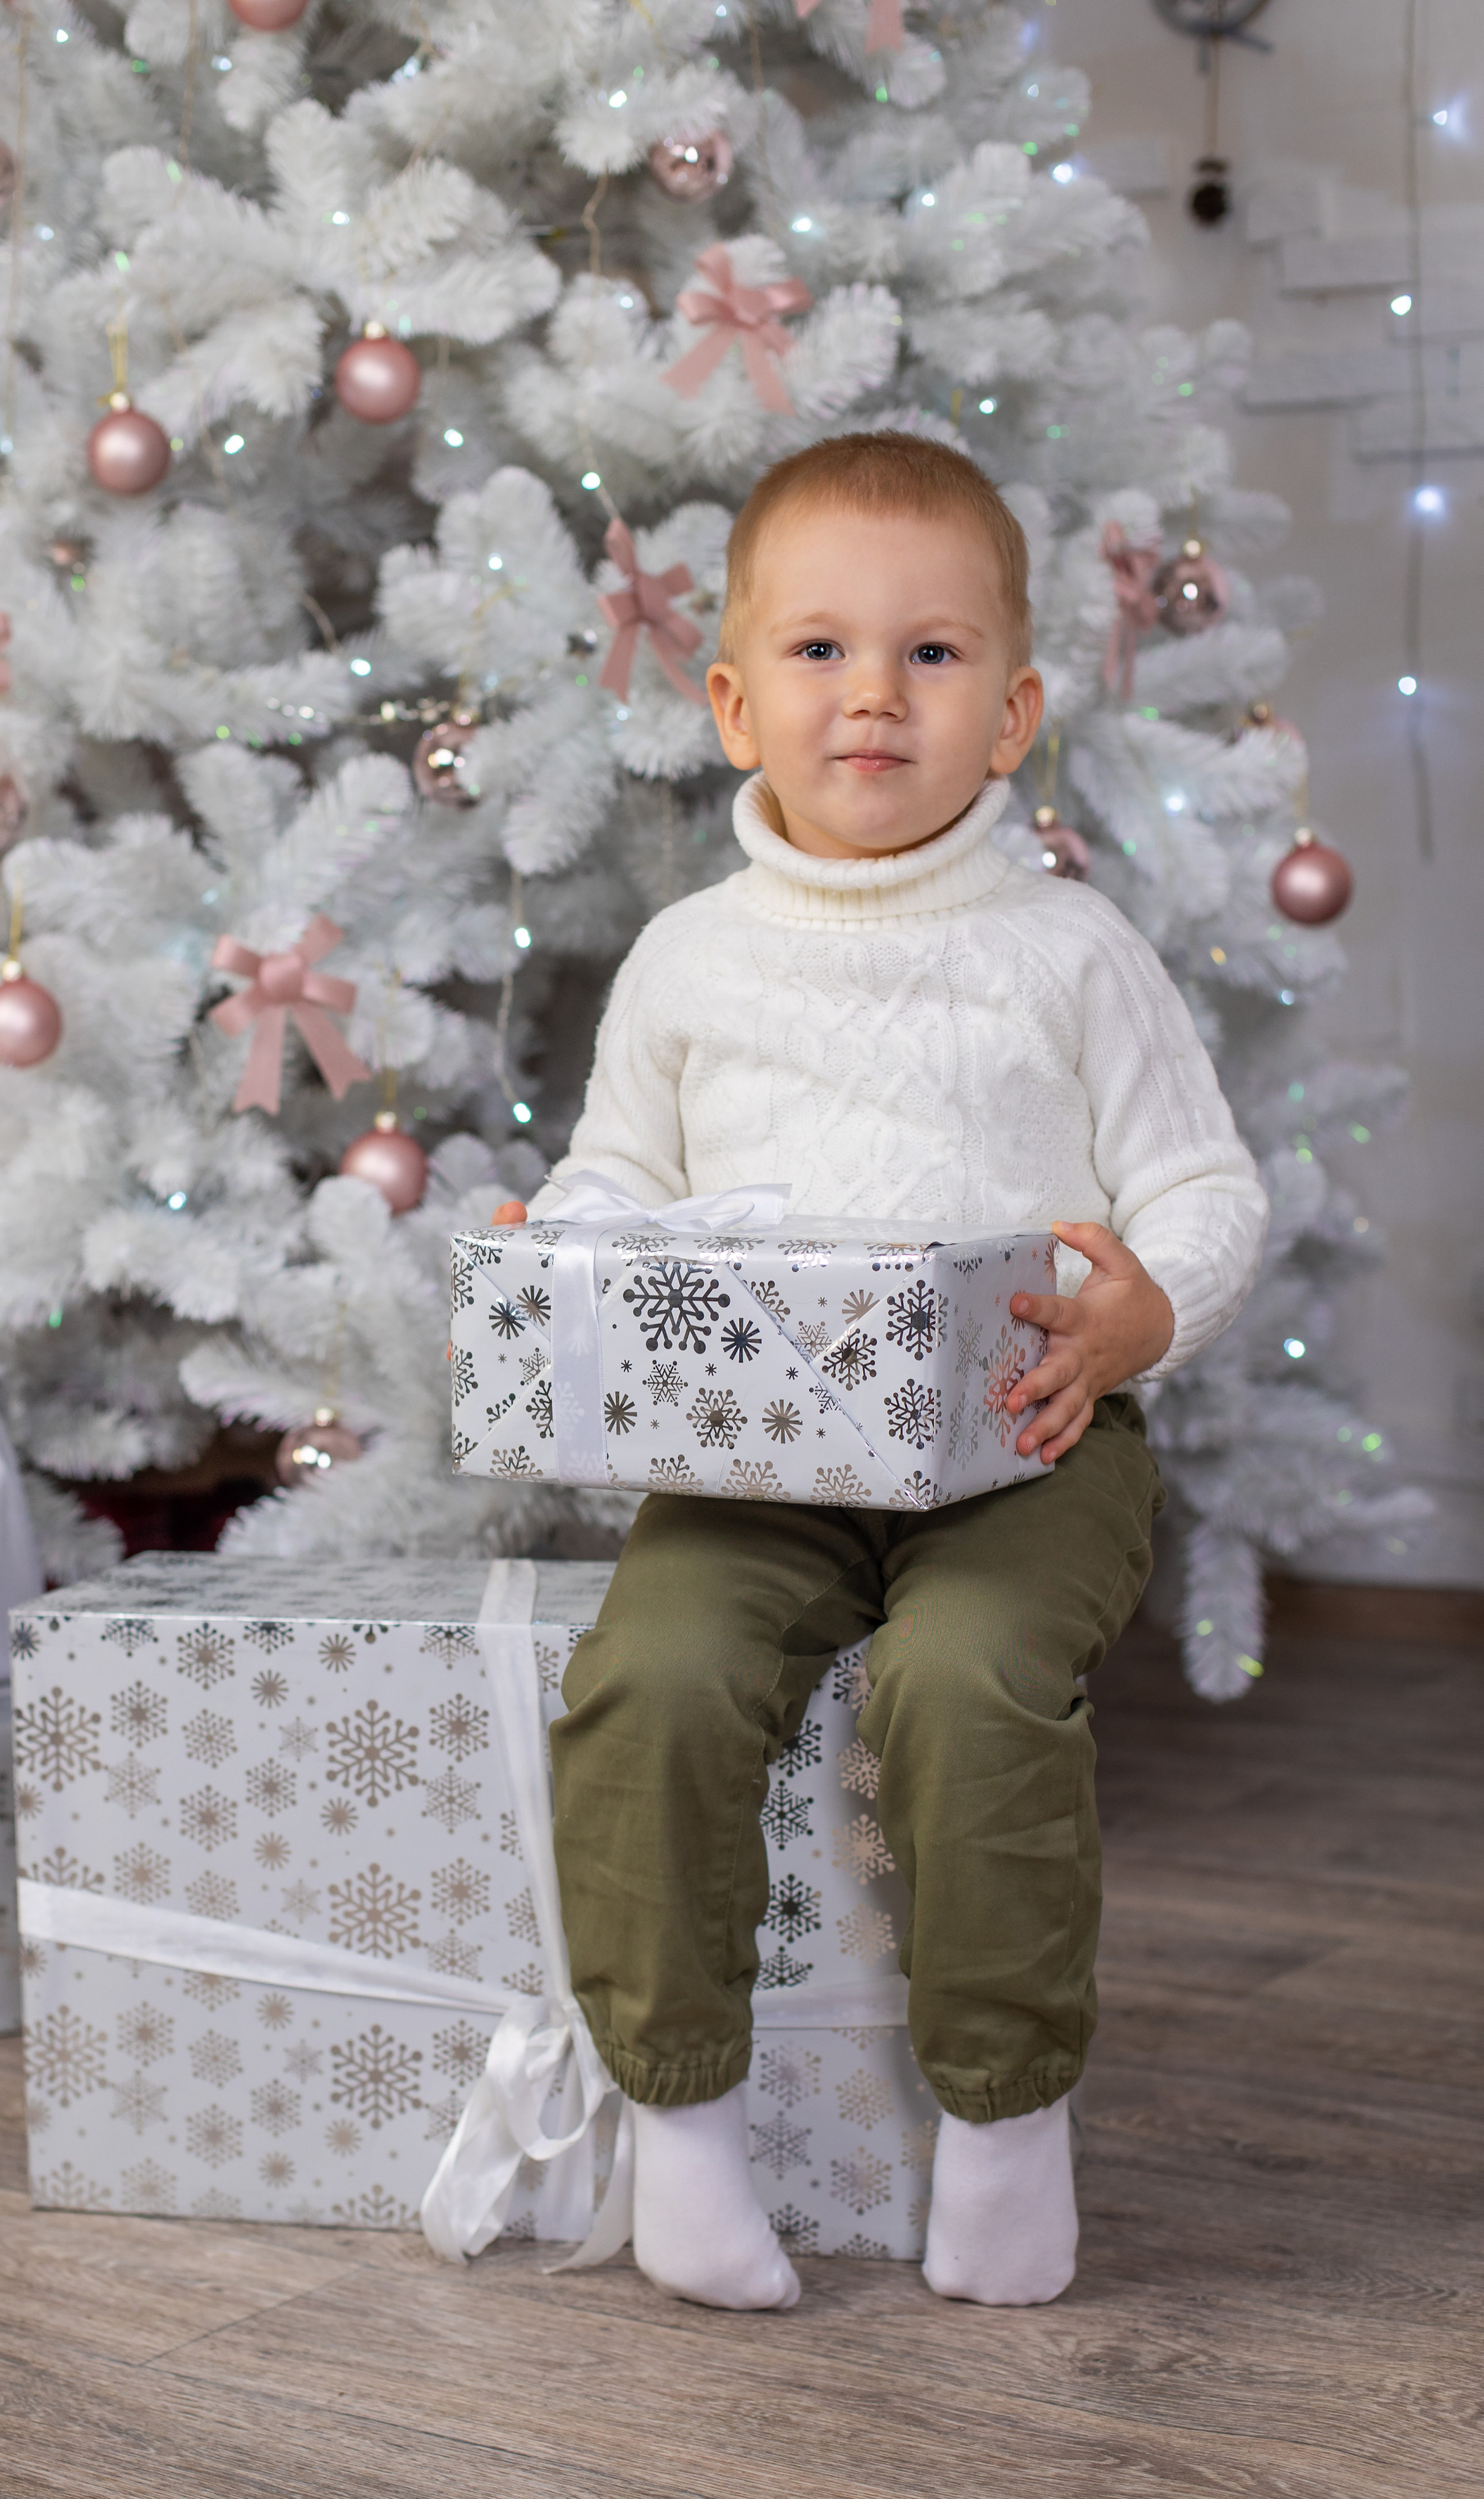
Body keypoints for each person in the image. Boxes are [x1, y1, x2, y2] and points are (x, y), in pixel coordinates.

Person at [492, 433, 1267, 2312]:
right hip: (760, 1455)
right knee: (650, 1678)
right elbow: (626, 1177)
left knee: (971, 1677)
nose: (874, 696)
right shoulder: (690, 962)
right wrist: (569, 1240)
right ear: (736, 702)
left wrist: (1138, 1317)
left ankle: (1004, 2126)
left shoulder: (1069, 952)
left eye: (930, 659)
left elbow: (1204, 1189)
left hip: (1026, 1437)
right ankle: (680, 2132)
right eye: (824, 653)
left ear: (1009, 717)